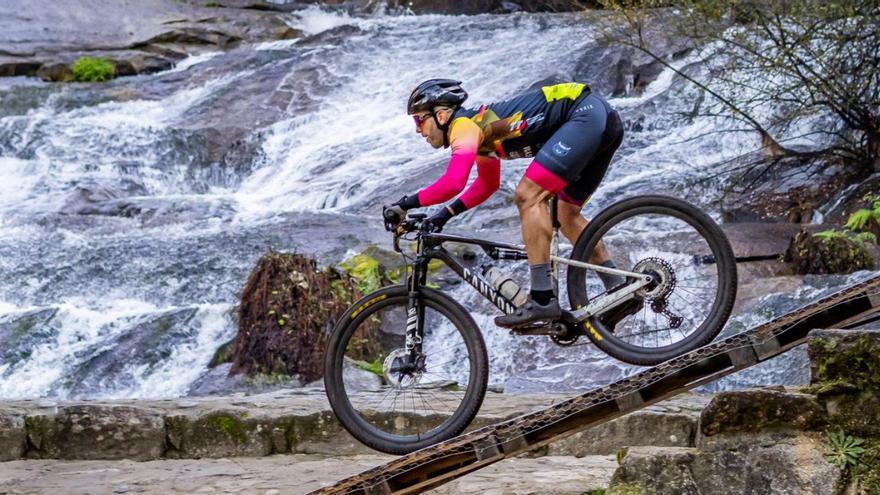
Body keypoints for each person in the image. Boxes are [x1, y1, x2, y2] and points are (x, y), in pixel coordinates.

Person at [385, 78, 626, 328]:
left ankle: (542, 298)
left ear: (442, 115)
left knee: (527, 195)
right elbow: (486, 185)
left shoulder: (463, 127)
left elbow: (454, 182)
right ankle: (618, 288)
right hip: (600, 119)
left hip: (584, 116)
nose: (417, 130)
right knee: (566, 215)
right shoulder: (481, 131)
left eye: (419, 120)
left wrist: (404, 205)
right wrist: (443, 216)